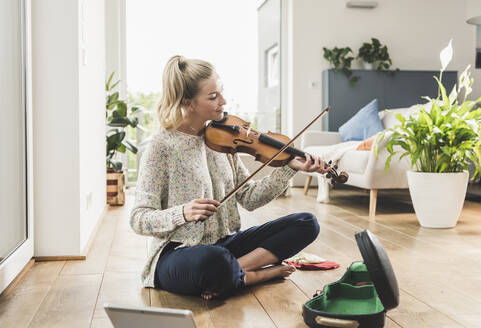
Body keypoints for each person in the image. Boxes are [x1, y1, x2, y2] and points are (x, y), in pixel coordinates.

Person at [130, 55, 329, 300]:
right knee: (212, 260)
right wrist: (182, 212)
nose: (223, 101)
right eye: (213, 96)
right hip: (179, 252)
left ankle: (237, 271)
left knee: (306, 223)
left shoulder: (223, 138)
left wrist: (290, 167)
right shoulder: (162, 145)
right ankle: (254, 275)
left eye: (221, 92)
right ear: (188, 102)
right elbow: (138, 218)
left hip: (225, 244)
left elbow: (249, 198)